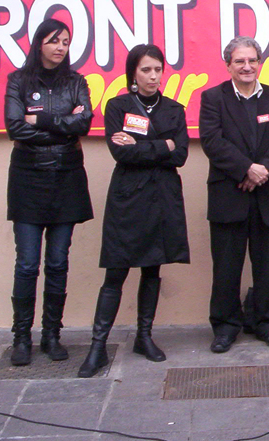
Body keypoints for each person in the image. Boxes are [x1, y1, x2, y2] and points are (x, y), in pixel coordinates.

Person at [78, 44, 191, 378]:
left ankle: (145, 336)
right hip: (128, 198)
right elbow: (120, 153)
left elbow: (181, 154)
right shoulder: (118, 106)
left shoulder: (174, 109)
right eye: (146, 70)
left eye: (158, 69)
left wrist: (147, 147)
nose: (153, 76)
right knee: (116, 270)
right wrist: (162, 146)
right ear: (133, 73)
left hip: (162, 197)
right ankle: (98, 346)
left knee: (153, 268)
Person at [4, 18, 93, 367]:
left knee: (57, 262)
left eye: (66, 42)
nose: (60, 47)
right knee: (27, 264)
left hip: (66, 178)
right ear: (39, 42)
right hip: (28, 179)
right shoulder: (19, 80)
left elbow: (83, 123)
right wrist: (63, 127)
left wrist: (38, 121)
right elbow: (14, 126)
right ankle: (21, 338)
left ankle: (51, 335)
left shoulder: (77, 82)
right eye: (54, 40)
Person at [199, 36, 269, 353]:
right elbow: (212, 142)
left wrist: (263, 170)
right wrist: (246, 169)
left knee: (268, 266)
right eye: (240, 61)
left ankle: (266, 323)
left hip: (268, 194)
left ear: (261, 63)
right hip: (230, 195)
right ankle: (226, 326)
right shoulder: (213, 98)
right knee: (226, 267)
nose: (247, 66)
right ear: (228, 64)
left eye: (252, 60)